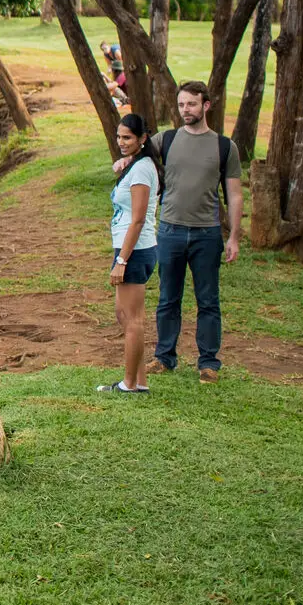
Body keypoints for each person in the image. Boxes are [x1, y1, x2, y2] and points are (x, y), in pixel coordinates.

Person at [119, 81, 243, 383]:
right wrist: (126, 159)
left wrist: (235, 236)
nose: (185, 110)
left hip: (207, 234)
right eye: (181, 105)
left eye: (191, 104)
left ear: (206, 106)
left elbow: (235, 194)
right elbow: (141, 150)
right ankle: (164, 357)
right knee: (167, 298)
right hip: (171, 231)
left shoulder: (224, 146)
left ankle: (208, 362)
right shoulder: (168, 140)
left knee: (208, 300)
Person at [98, 113, 159, 395]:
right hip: (129, 248)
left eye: (128, 138)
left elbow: (137, 220)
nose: (121, 142)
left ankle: (129, 384)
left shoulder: (143, 170)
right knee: (127, 316)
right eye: (119, 137)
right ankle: (140, 380)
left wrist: (121, 260)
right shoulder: (136, 165)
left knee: (131, 318)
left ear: (142, 139)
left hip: (135, 250)